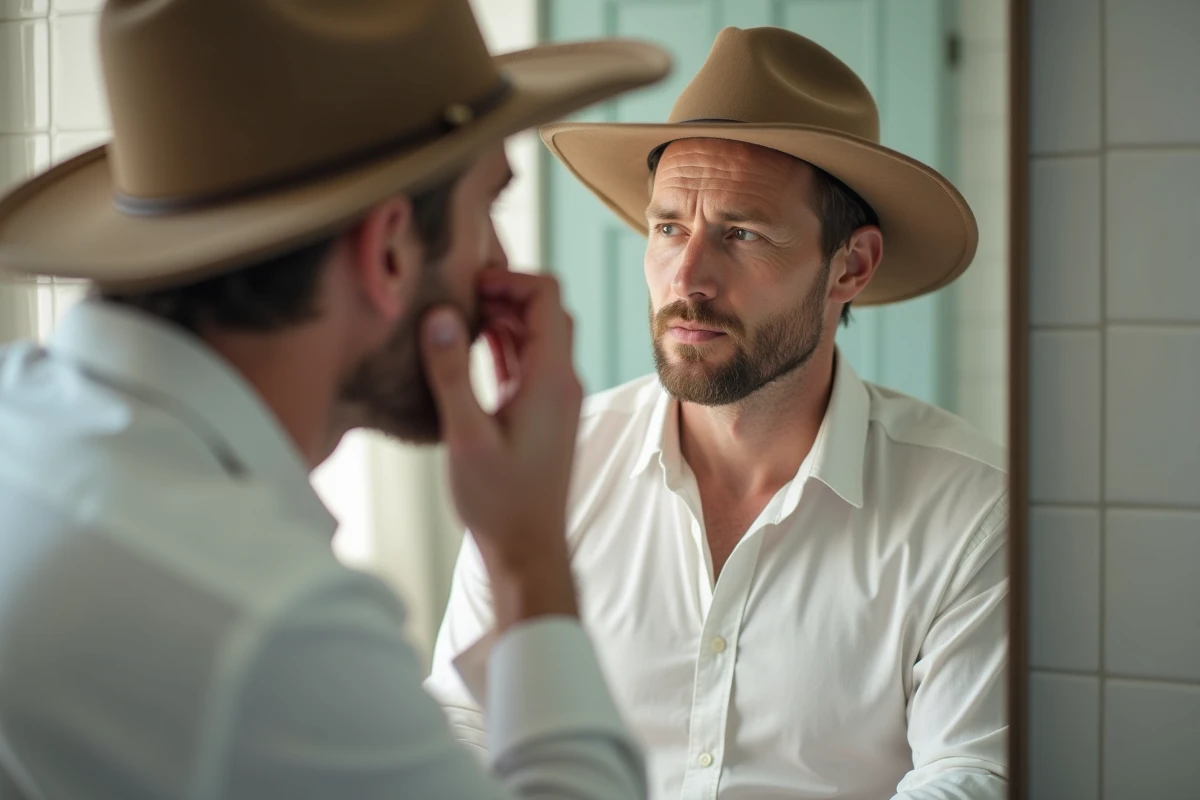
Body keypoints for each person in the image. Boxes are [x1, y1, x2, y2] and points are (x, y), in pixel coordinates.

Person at [0, 1, 671, 798]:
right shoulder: (266, 623)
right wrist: (528, 558)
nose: (500, 267)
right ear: (389, 250)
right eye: (486, 210)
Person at [426, 26, 1009, 800]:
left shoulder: (967, 504)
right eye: (668, 227)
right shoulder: (549, 467)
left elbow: (969, 775)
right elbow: (467, 726)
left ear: (851, 266)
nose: (688, 277)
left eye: (741, 233)